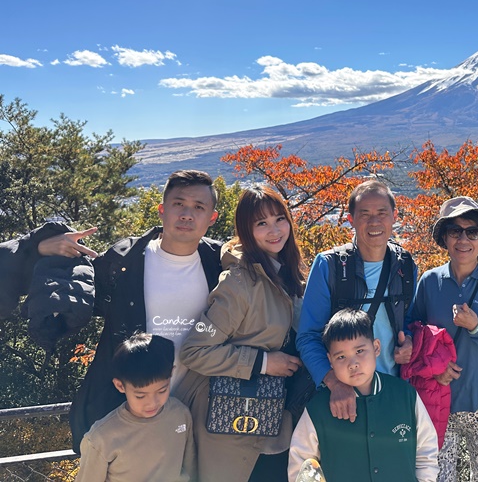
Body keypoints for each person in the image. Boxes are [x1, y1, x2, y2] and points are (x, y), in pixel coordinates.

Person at [31, 169, 223, 453]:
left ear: (211, 218)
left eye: (198, 207)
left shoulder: (221, 264)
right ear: (162, 210)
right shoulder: (124, 261)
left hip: (196, 411)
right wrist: (43, 248)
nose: (186, 214)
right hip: (130, 409)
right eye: (178, 204)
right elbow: (72, 294)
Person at [179, 186, 306, 482]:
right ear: (247, 231)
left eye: (279, 219)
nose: (274, 231)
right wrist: (263, 363)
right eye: (261, 223)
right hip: (234, 420)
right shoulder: (238, 281)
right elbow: (194, 351)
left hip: (276, 417)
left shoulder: (289, 272)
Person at [408, 196, 478, 482]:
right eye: (455, 231)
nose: (463, 239)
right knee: (438, 478)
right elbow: (412, 336)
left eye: (473, 232)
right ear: (444, 237)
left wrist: (477, 327)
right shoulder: (429, 282)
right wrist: (435, 367)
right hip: (438, 401)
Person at [296, 179, 416, 422]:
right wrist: (333, 383)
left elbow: (410, 319)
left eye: (382, 213)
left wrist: (409, 342)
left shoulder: (404, 265)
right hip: (341, 396)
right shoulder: (329, 266)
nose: (374, 222)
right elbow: (308, 336)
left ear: (394, 216)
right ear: (351, 219)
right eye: (365, 214)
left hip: (390, 390)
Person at [288, 308, 439, 482]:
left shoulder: (405, 396)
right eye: (341, 357)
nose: (353, 364)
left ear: (376, 347)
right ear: (330, 360)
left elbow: (426, 451)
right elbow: (301, 463)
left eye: (359, 351)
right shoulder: (318, 408)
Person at [75, 333, 196, 482]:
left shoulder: (180, 414)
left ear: (171, 373)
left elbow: (191, 469)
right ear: (120, 385)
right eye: (140, 396)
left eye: (162, 390)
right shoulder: (101, 437)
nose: (152, 402)